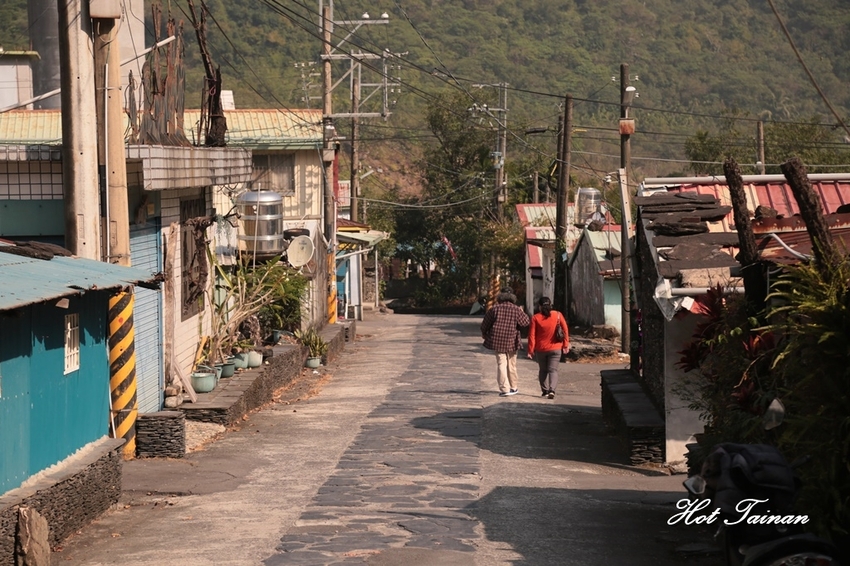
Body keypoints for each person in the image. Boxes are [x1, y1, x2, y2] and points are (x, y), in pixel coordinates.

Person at [480, 288, 530, 397]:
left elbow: (485, 323)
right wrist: (522, 312)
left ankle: (504, 389)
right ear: (512, 297)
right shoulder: (516, 309)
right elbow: (525, 322)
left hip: (498, 340)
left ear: (500, 296)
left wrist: (484, 333)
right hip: (512, 339)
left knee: (501, 363)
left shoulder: (495, 308)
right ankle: (514, 387)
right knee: (512, 364)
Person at [527, 296, 569, 399]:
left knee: (543, 370)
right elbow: (565, 330)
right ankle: (552, 390)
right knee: (553, 370)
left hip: (541, 349)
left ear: (540, 307)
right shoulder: (558, 315)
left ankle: (545, 391)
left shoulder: (536, 318)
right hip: (556, 348)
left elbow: (532, 335)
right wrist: (566, 345)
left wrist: (530, 350)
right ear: (550, 305)